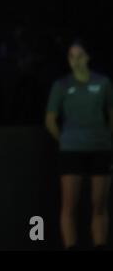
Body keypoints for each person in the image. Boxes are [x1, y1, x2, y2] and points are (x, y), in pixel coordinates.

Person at [45, 42, 113, 250]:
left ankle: (100, 245)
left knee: (99, 205)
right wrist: (65, 139)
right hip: (71, 150)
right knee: (69, 206)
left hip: (100, 148)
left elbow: (111, 113)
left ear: (88, 57)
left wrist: (105, 136)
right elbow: (50, 119)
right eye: (71, 56)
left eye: (80, 55)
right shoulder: (62, 86)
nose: (75, 60)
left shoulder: (103, 83)